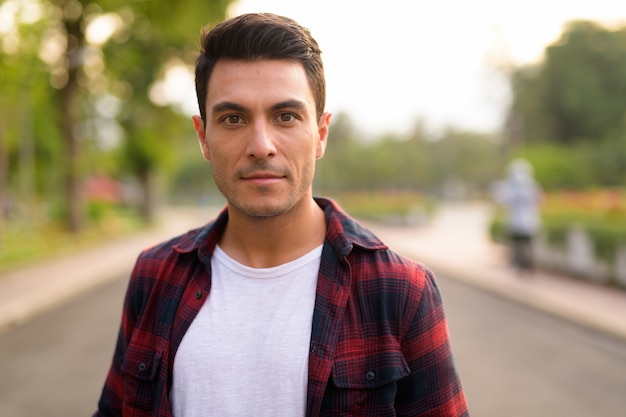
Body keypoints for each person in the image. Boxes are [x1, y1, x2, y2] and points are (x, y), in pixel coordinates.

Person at [94, 12, 468, 417]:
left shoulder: (400, 291)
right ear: (204, 138)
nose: (261, 145)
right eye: (233, 119)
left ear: (321, 134)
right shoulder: (155, 276)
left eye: (285, 116)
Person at [492, 158, 542, 273]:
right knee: (522, 245)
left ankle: (524, 264)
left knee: (522, 245)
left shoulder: (517, 187)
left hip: (521, 222)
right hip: (524, 222)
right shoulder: (530, 187)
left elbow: (502, 199)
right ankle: (524, 264)